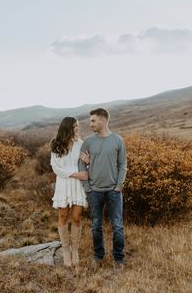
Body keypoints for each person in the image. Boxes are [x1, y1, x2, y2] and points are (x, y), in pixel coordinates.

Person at [78, 108, 127, 270]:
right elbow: (81, 163)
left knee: (117, 226)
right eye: (90, 120)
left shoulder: (118, 140)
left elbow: (122, 165)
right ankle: (98, 257)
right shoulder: (88, 141)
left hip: (114, 191)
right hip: (94, 191)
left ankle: (119, 259)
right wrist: (87, 188)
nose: (89, 123)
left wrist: (119, 186)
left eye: (93, 120)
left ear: (103, 120)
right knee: (96, 226)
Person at [50, 116, 89, 268]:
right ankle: (66, 250)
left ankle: (75, 249)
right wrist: (75, 174)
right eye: (75, 126)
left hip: (77, 186)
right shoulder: (56, 144)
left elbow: (87, 164)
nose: (78, 128)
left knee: (77, 217)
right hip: (63, 184)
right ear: (67, 128)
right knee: (63, 216)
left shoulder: (81, 144)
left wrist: (88, 162)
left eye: (78, 126)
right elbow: (55, 168)